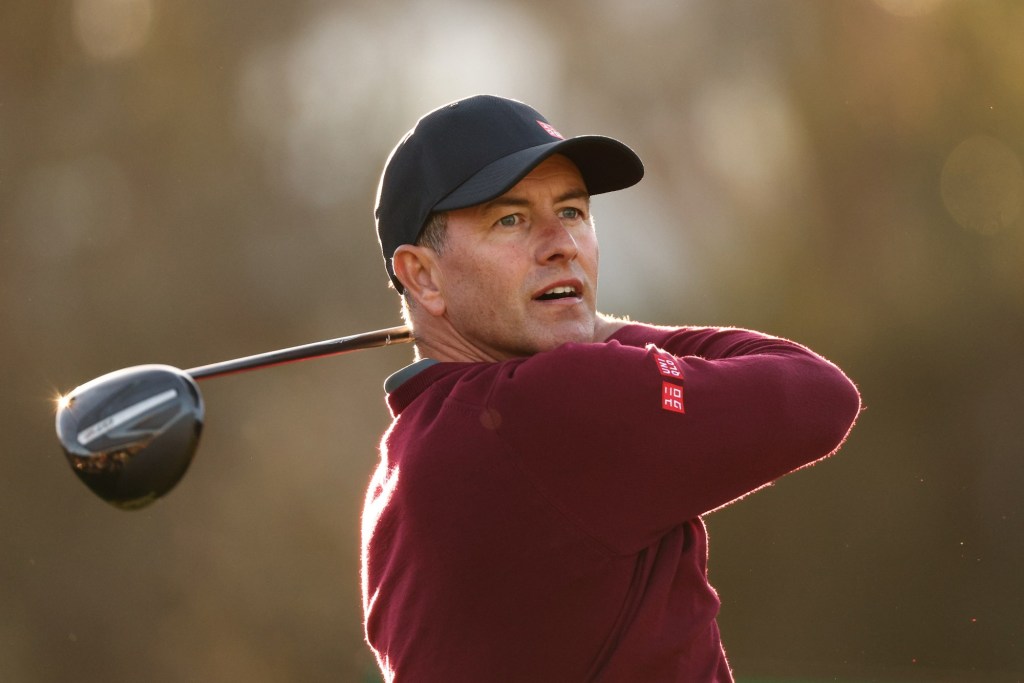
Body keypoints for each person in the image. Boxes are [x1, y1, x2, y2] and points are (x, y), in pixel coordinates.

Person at [361, 95, 860, 682]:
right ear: (422, 276)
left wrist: (566, 319)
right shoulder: (557, 403)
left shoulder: (395, 473)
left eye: (572, 211)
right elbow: (819, 394)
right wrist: (591, 326)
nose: (562, 244)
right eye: (510, 219)